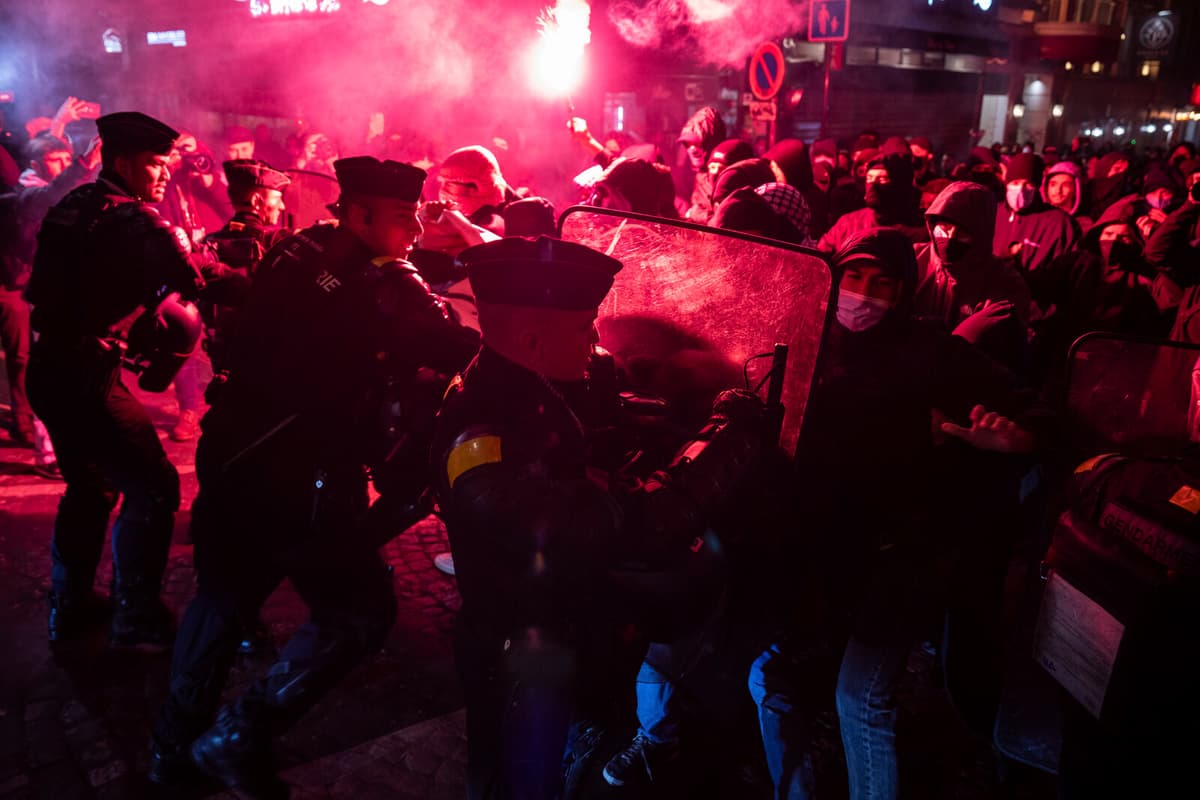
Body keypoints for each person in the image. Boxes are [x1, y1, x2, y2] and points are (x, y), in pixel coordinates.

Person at [149, 155, 479, 793]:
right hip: (303, 471)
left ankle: (171, 749)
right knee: (357, 610)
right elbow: (450, 342)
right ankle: (236, 739)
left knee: (223, 596)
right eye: (403, 216)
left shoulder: (299, 246)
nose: (413, 229)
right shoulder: (383, 281)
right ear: (359, 214)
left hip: (233, 446)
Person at [432, 236, 764, 799]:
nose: (594, 342)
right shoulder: (486, 438)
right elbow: (640, 531)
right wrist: (725, 441)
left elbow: (585, 429)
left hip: (562, 635)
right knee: (522, 782)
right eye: (585, 327)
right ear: (533, 341)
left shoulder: (520, 386)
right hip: (530, 655)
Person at [748, 228, 1043, 800]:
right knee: (771, 677)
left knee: (860, 699)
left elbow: (1029, 407)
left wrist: (1011, 438)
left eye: (882, 284)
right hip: (814, 554)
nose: (862, 296)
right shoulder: (804, 339)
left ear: (905, 292)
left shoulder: (932, 353)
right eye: (852, 277)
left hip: (896, 556)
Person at [24, 112, 210, 647]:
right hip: (88, 373)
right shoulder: (135, 220)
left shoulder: (74, 204)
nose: (165, 174)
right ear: (124, 162)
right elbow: (193, 281)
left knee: (90, 485)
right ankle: (137, 616)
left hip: (51, 368)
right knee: (153, 487)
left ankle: (71, 604)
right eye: (156, 163)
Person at [1, 132, 100, 447]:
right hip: (13, 286)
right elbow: (50, 195)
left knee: (43, 359)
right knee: (24, 358)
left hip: (40, 285)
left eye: (64, 159)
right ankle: (32, 430)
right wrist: (83, 164)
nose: (61, 165)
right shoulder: (25, 195)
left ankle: (37, 429)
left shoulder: (65, 194)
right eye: (53, 160)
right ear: (35, 164)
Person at [200, 158, 292, 372]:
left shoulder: (210, 242)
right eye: (278, 198)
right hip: (264, 353)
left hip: (221, 351)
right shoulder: (277, 242)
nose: (282, 206)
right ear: (257, 200)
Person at [817, 152, 927, 253]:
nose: (873, 186)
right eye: (869, 178)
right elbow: (821, 256)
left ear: (900, 185)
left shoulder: (920, 232)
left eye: (882, 179)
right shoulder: (848, 224)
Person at [992, 153, 1078, 275]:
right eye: (1015, 183)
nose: (1021, 190)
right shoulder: (993, 213)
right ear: (1007, 184)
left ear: (1037, 187)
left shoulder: (1058, 223)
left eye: (1028, 184)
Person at [677, 106, 728, 223]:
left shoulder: (724, 177)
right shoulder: (700, 174)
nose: (692, 149)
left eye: (698, 143)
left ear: (711, 142)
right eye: (687, 144)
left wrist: (695, 213)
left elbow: (723, 223)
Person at [1040, 159, 1092, 231]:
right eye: (1053, 185)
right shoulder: (1037, 220)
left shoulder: (1083, 224)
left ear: (1076, 189)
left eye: (1065, 185)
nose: (1058, 190)